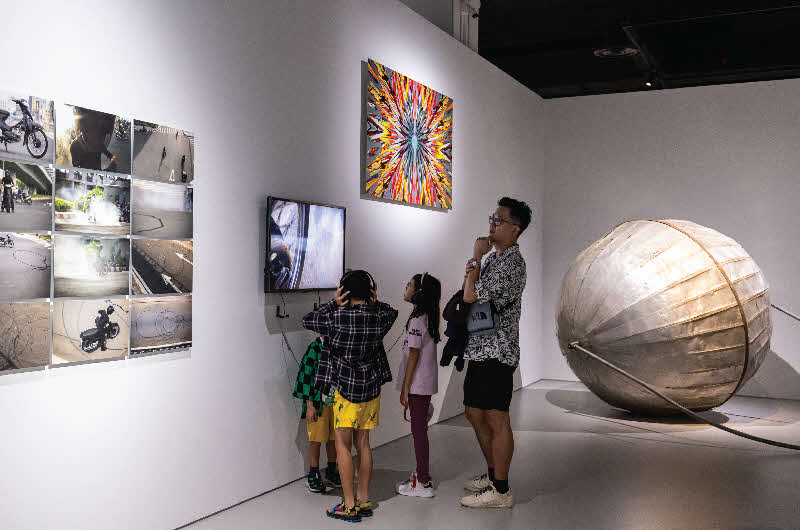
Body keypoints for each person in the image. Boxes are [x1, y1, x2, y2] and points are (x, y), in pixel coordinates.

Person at [302, 270, 398, 523]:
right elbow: (393, 312)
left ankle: (348, 505)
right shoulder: (378, 317)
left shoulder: (336, 319)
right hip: (371, 390)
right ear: (370, 290)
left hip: (345, 390)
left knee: (343, 446)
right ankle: (364, 499)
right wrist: (375, 301)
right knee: (364, 444)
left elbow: (308, 320)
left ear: (344, 292)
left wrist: (333, 303)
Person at [460, 197, 531, 509]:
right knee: (474, 412)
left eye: (498, 220)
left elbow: (470, 294)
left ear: (515, 229)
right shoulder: (494, 259)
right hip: (479, 347)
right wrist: (478, 263)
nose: (491, 223)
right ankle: (492, 474)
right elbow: (471, 295)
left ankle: (501, 490)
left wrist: (475, 258)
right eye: (492, 217)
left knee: (497, 417)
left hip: (498, 351)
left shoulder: (513, 264)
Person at [395, 272, 442, 498]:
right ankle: (422, 475)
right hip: (424, 384)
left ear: (420, 292)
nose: (406, 287)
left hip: (417, 386)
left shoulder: (416, 320)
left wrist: (405, 387)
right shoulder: (426, 317)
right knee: (419, 431)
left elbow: (413, 355)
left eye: (410, 285)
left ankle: (422, 481)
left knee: (418, 432)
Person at [292, 337, 342, 493]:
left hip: (335, 403)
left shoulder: (338, 345)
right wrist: (309, 406)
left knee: (333, 439)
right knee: (316, 440)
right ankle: (313, 474)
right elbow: (305, 376)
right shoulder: (314, 349)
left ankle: (331, 471)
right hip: (317, 403)